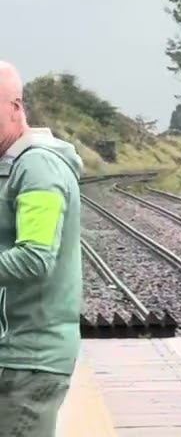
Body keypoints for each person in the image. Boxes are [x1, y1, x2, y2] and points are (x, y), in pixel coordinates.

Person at [0, 62, 85, 437]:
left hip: (29, 359)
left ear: (16, 107)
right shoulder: (15, 165)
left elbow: (35, 257)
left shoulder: (38, 169)